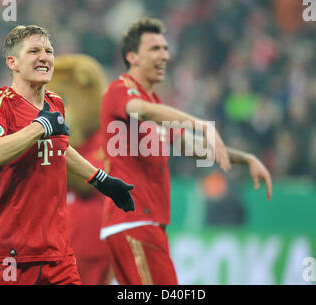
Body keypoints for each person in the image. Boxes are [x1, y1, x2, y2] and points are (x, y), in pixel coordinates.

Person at [100, 18, 273, 285]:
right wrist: (201, 124)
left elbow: (194, 147)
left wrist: (245, 159)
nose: (165, 56)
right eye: (155, 49)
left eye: (166, 49)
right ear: (132, 56)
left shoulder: (155, 103)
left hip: (145, 225)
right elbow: (141, 110)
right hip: (133, 221)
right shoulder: (120, 90)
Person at [0, 25, 134, 285]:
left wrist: (102, 180)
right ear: (12, 62)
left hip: (56, 255)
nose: (44, 56)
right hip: (7, 254)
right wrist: (40, 127)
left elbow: (59, 148)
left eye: (48, 51)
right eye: (34, 51)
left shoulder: (55, 103)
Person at [46, 54, 114, 285]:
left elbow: (91, 181)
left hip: (94, 243)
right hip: (60, 243)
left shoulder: (105, 139)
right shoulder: (72, 142)